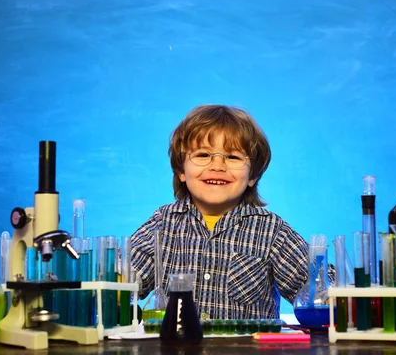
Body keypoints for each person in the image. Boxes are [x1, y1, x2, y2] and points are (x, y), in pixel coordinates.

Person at [130, 105, 308, 320]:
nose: (217, 166)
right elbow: (120, 282)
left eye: (232, 157)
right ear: (181, 170)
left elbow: (318, 288)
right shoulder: (163, 224)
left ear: (252, 175)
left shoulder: (272, 231)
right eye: (203, 155)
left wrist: (334, 295)